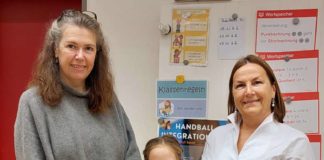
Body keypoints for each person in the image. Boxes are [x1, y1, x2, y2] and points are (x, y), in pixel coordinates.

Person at [14, 9, 141, 160]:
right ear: (55, 50)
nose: (80, 56)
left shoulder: (108, 99)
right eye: (71, 46)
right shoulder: (33, 103)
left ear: (96, 54)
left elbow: (132, 153)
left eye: (88, 48)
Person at [201, 54, 314, 160]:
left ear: (273, 90)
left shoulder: (295, 142)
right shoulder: (216, 137)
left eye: (257, 83)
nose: (249, 91)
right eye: (240, 85)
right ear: (233, 94)